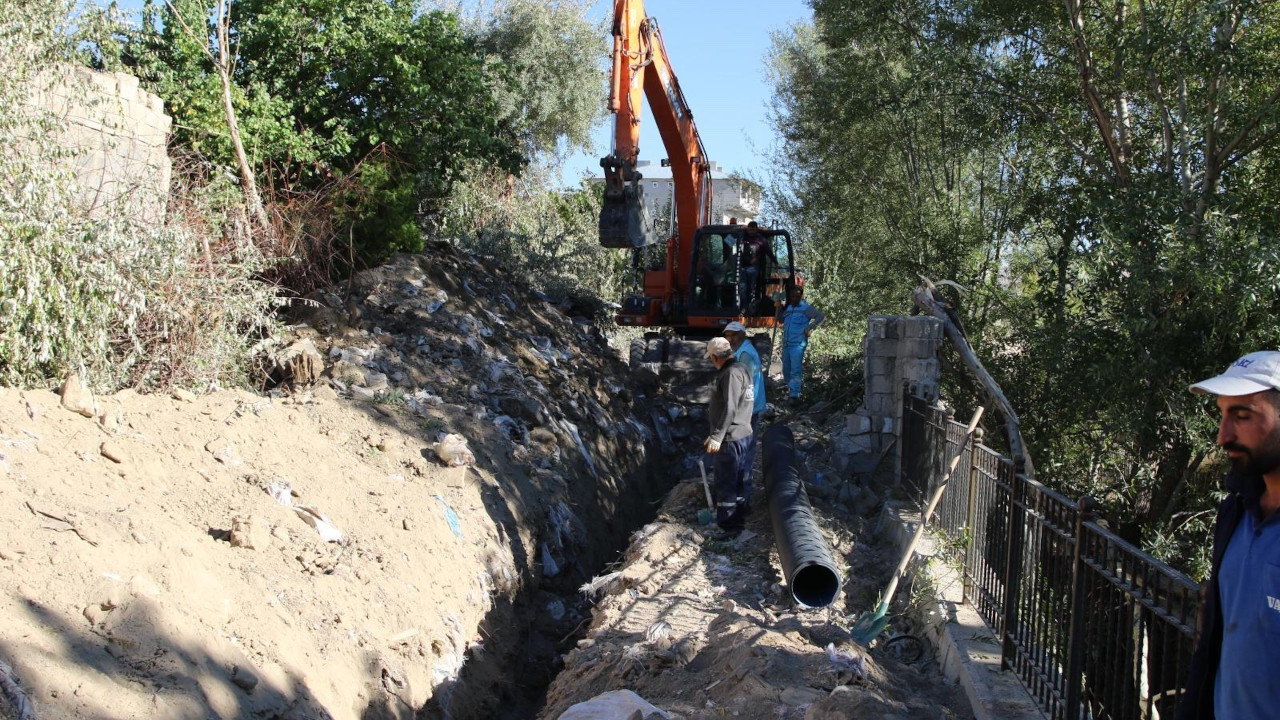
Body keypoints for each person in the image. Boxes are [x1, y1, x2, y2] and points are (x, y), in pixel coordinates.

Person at [1178, 350, 1280, 720]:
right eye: (1222, 415)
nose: (1223, 436)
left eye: (1242, 416)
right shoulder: (1236, 511)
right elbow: (1214, 644)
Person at [703, 336, 755, 532]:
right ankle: (740, 519)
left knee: (726, 482)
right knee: (740, 479)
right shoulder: (742, 368)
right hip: (742, 433)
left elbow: (730, 408)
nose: (710, 361)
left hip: (731, 438)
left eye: (711, 358)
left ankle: (728, 527)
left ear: (716, 357)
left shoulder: (731, 373)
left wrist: (717, 436)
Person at [724, 321, 766, 510]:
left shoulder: (746, 355)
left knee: (743, 456)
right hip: (748, 410)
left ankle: (742, 500)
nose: (730, 339)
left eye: (734, 335)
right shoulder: (741, 352)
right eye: (728, 336)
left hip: (747, 412)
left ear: (743, 335)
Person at [776, 277, 825, 403]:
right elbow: (780, 320)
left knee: (795, 370)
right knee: (786, 369)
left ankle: (794, 395)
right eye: (792, 296)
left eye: (797, 296)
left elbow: (820, 316)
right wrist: (778, 308)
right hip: (786, 343)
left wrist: (810, 327)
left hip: (797, 344)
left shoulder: (806, 308)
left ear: (801, 296)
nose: (794, 298)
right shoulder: (788, 308)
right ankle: (789, 389)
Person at [737, 221, 772, 313]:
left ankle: (750, 308)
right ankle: (743, 308)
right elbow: (738, 231)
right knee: (742, 289)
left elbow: (768, 251)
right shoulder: (743, 237)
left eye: (753, 229)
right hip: (743, 268)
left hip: (754, 268)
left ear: (756, 229)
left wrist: (775, 261)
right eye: (749, 229)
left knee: (752, 289)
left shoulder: (760, 239)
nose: (751, 231)